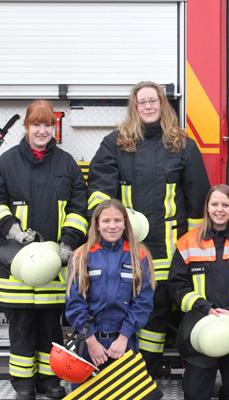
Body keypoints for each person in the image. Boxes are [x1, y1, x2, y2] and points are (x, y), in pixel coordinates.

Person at [87, 81, 211, 376]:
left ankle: (149, 374)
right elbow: (100, 194)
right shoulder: (115, 143)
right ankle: (126, 375)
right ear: (134, 107)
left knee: (157, 319)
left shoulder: (182, 144)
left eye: (153, 101)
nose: (148, 106)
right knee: (127, 314)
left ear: (162, 104)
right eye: (142, 102)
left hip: (172, 251)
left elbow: (197, 201)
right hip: (129, 253)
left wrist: (198, 250)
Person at [0, 100, 88, 400]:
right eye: (36, 125)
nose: (42, 131)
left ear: (55, 128)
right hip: (17, 267)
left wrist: (67, 244)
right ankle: (23, 383)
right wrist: (12, 230)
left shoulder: (67, 164)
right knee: (22, 327)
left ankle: (49, 381)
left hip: (54, 265)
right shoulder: (6, 163)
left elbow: (80, 207)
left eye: (47, 125)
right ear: (27, 127)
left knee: (51, 327)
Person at [168, 184, 229, 400]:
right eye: (214, 204)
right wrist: (205, 307)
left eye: (225, 204)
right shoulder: (187, 243)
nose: (219, 209)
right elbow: (177, 285)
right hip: (201, 331)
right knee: (195, 394)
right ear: (207, 208)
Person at [65, 199, 155, 389]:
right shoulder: (82, 255)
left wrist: (123, 338)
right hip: (89, 344)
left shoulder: (138, 255)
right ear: (97, 225)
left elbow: (142, 302)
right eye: (106, 221)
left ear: (125, 224)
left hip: (124, 343)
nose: (112, 226)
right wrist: (91, 341)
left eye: (117, 220)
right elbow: (75, 302)